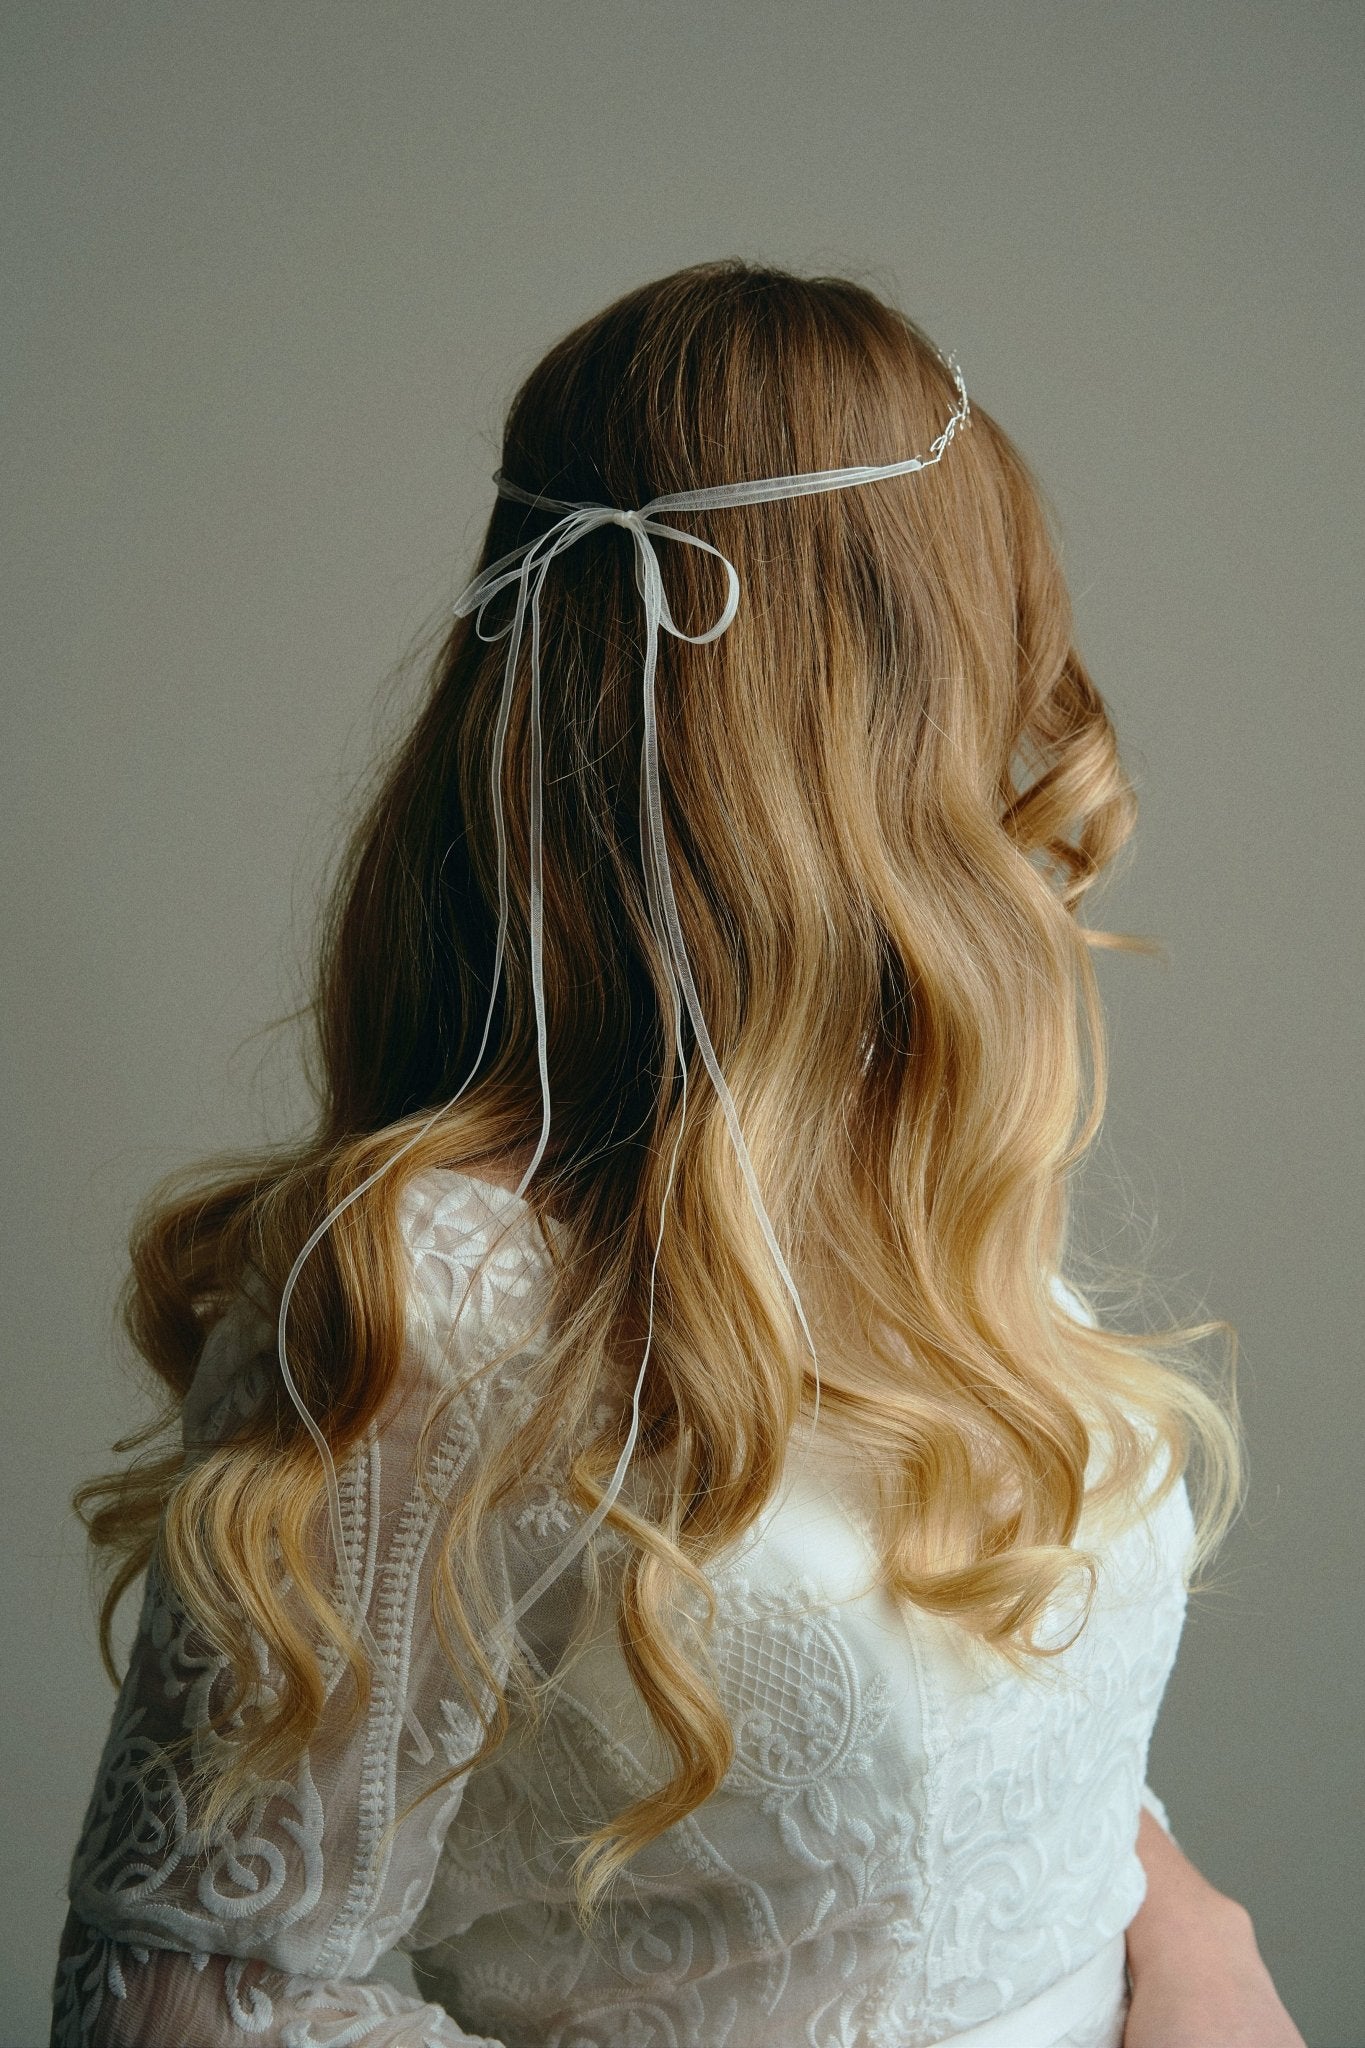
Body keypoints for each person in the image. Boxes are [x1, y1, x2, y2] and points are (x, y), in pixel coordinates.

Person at [49, 260, 1303, 2047]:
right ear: (898, 683)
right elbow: (173, 2001)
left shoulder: (921, 1151)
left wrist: (1196, 1937)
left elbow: (1012, 1744)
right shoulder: (440, 1286)